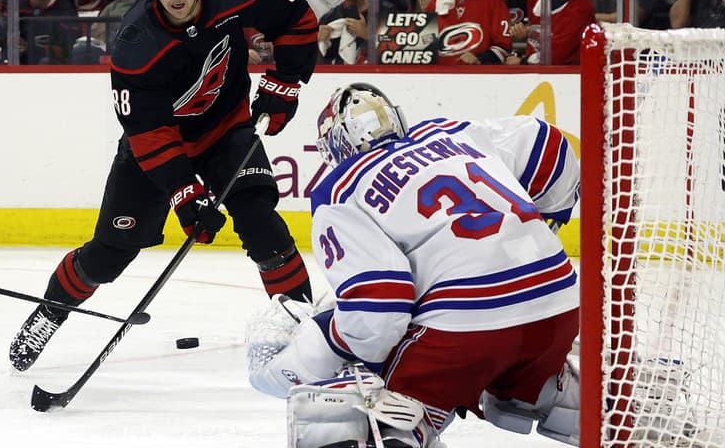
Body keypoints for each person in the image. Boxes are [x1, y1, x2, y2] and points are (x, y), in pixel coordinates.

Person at [8, 0, 318, 372]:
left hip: (227, 131)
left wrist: (287, 80)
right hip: (153, 152)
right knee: (109, 254)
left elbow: (296, 18)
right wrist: (185, 194)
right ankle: (51, 311)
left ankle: (307, 331)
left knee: (262, 224)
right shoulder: (135, 44)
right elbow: (149, 133)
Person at [245, 83, 581, 448]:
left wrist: (331, 340)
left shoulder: (339, 191)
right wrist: (550, 216)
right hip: (559, 304)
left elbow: (379, 307)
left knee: (369, 415)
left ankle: (403, 428)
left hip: (466, 328)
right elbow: (546, 143)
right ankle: (552, 392)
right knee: (522, 371)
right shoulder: (450, 132)